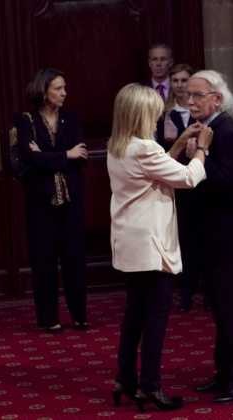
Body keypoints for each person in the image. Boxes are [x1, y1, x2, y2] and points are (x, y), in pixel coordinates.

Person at [107, 83, 212, 413]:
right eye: (153, 111)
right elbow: (187, 178)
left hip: (131, 241)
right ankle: (150, 384)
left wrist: (180, 143)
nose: (157, 117)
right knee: (155, 316)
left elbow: (154, 172)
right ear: (141, 113)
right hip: (152, 243)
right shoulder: (143, 148)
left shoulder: (118, 145)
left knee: (134, 314)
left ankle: (124, 378)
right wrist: (201, 150)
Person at [187, 70, 233, 404]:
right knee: (220, 312)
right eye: (187, 95)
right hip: (209, 238)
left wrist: (196, 160)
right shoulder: (204, 131)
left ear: (216, 98)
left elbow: (230, 186)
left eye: (196, 95)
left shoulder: (228, 132)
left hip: (228, 239)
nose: (190, 101)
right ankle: (225, 372)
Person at [14, 68, 89, 334]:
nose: (64, 93)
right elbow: (29, 158)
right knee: (44, 259)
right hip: (41, 200)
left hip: (71, 198)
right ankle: (49, 318)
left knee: (74, 258)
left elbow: (80, 157)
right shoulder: (26, 121)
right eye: (58, 88)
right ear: (44, 91)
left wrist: (50, 155)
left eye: (64, 88)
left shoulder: (72, 119)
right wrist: (64, 155)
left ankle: (80, 315)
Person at [153, 63, 208, 313]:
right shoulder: (167, 114)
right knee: (184, 240)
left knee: (204, 239)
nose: (180, 85)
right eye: (175, 81)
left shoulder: (203, 113)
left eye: (185, 80)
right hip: (178, 180)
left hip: (202, 180)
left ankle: (208, 293)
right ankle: (186, 293)